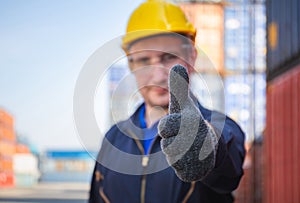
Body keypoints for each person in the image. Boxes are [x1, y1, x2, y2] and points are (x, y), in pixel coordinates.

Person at [89, 0, 245, 202]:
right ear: (131, 66)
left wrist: (208, 146)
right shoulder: (113, 139)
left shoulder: (221, 127)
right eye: (144, 60)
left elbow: (228, 168)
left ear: (192, 56)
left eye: (169, 57)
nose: (158, 75)